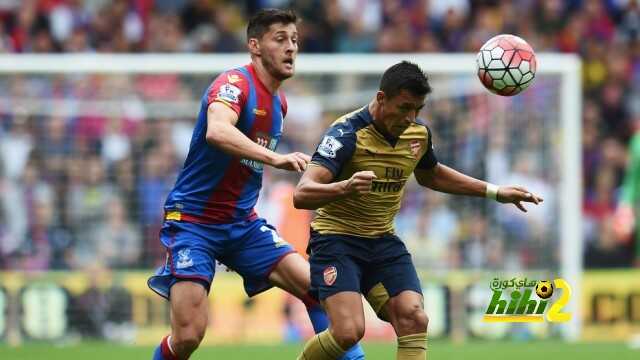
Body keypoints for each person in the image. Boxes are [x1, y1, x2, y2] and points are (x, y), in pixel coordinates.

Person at [147, 9, 364, 360]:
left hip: (241, 224)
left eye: (294, 40)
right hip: (194, 222)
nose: (291, 48)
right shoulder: (234, 84)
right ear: (255, 46)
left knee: (319, 288)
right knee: (188, 335)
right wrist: (275, 159)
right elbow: (217, 131)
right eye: (280, 39)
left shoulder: (279, 102)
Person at [293, 61, 543, 359]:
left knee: (414, 318)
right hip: (337, 240)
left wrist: (494, 192)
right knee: (348, 332)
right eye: (404, 107)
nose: (410, 117)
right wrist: (344, 187)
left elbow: (431, 174)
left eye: (418, 109)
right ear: (381, 98)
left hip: (382, 242)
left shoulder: (418, 134)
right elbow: (302, 193)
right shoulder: (345, 134)